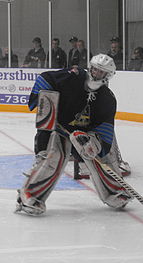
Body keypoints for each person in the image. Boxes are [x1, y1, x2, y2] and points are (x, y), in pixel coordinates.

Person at [15, 54, 132, 216]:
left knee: (101, 156)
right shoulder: (73, 75)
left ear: (108, 76)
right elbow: (45, 78)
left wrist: (93, 144)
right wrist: (45, 102)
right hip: (58, 128)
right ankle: (28, 195)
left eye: (101, 72)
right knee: (55, 155)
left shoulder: (107, 99)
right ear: (89, 67)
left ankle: (114, 191)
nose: (96, 73)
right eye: (95, 69)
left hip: (84, 134)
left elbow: (105, 130)